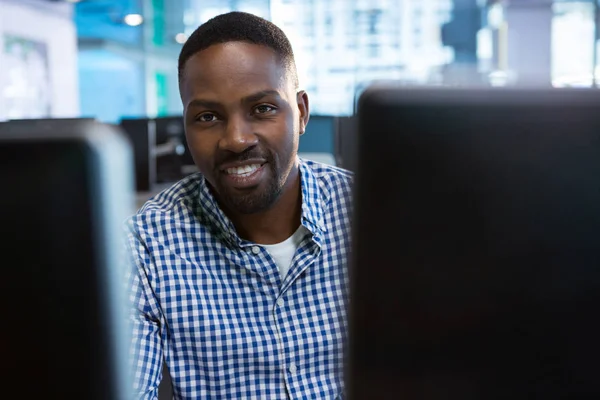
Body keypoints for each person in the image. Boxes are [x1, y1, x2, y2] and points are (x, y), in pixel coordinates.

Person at [124, 11, 353, 399]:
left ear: (301, 112)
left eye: (262, 108)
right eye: (208, 116)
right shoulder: (147, 246)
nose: (235, 139)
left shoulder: (368, 214)